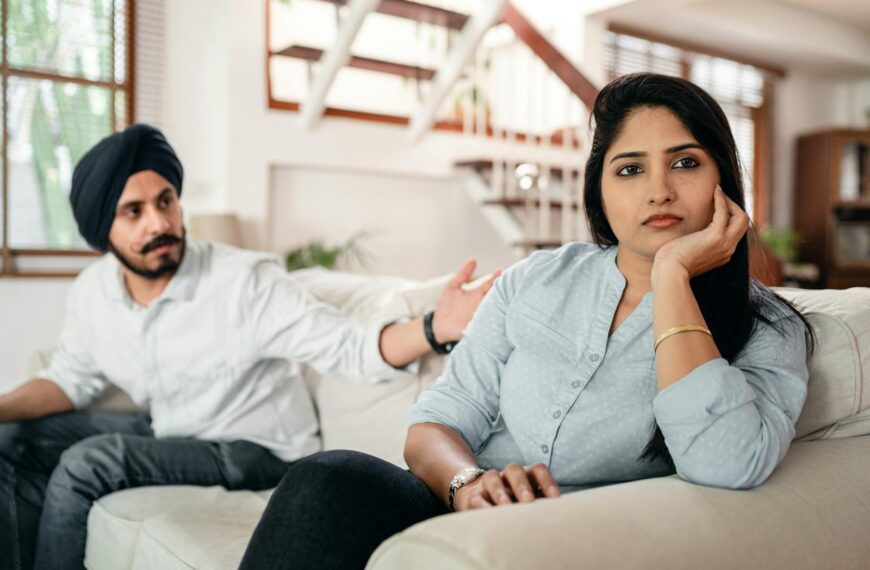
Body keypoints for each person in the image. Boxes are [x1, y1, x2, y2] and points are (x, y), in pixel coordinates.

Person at [237, 72, 817, 570]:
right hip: (458, 508)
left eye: (685, 163)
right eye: (629, 169)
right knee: (326, 479)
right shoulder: (535, 279)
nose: (658, 191)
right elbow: (436, 424)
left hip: (567, 542)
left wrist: (671, 277)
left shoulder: (766, 329)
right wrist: (467, 485)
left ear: (724, 182)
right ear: (601, 191)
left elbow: (726, 462)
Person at [0, 124, 497, 570]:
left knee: (89, 463)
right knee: (10, 441)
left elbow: (348, 345)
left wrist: (435, 325)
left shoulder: (243, 282)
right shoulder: (93, 293)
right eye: (134, 211)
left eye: (166, 200)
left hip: (256, 448)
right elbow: (69, 379)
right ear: (101, 232)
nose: (159, 223)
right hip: (174, 428)